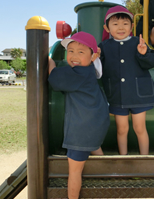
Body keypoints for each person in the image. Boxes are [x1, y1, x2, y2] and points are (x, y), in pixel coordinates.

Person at [48, 31, 110, 199]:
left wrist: (49, 62)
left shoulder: (79, 73)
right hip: (95, 123)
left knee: (74, 171)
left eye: (80, 52)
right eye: (70, 51)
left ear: (93, 56)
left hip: (83, 129)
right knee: (94, 146)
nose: (74, 56)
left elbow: (55, 78)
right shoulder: (89, 70)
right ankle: (107, 176)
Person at [99, 5, 154, 155]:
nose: (121, 28)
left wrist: (144, 53)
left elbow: (151, 62)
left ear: (132, 26)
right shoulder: (103, 46)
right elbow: (97, 68)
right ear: (107, 28)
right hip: (117, 95)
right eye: (115, 24)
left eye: (125, 24)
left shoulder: (138, 43)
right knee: (122, 129)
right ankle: (123, 158)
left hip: (138, 95)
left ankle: (144, 159)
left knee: (140, 128)